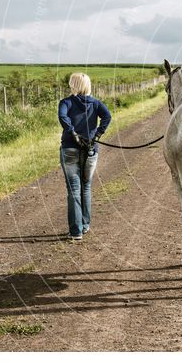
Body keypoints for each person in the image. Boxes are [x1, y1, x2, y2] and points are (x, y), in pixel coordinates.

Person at [58, 72, 112, 240]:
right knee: (86, 186)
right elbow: (107, 116)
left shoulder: (66, 102)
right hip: (90, 150)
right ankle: (85, 225)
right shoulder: (96, 103)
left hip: (69, 150)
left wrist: (72, 132)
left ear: (73, 85)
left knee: (74, 189)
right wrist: (97, 134)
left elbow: (62, 116)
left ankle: (76, 231)